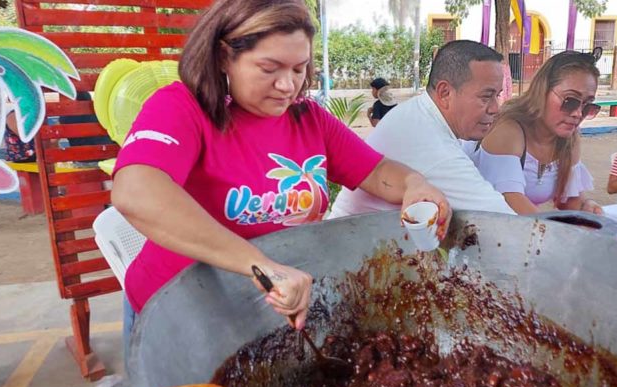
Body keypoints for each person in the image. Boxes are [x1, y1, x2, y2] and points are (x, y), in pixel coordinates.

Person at [111, 0, 450, 353]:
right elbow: (136, 192)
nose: (288, 85)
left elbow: (377, 171)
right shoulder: (182, 106)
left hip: (267, 310)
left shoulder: (308, 118)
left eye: (299, 69)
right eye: (269, 68)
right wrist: (260, 266)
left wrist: (415, 184)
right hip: (179, 314)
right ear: (224, 55)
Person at [329, 40, 515, 218]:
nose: (495, 108)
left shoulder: (419, 113)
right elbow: (506, 225)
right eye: (486, 97)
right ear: (445, 93)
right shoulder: (433, 146)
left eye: (497, 96)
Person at [465, 50, 604, 215]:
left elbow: (568, 199)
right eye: (570, 101)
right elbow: (510, 201)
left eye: (588, 106)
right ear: (542, 91)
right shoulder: (508, 130)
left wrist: (586, 206)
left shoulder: (569, 140)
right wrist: (557, 233)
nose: (578, 113)